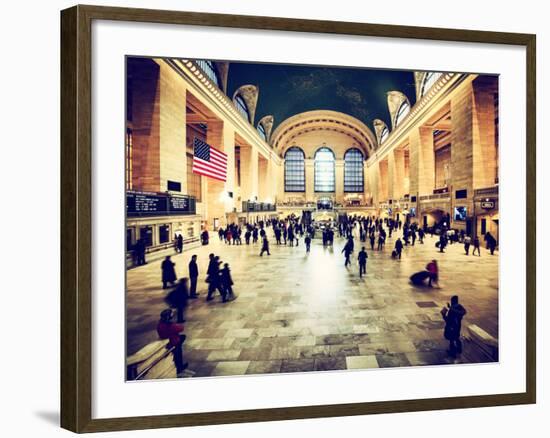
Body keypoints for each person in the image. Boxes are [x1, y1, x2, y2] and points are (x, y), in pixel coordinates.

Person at [156, 309, 188, 375]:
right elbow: (181, 328)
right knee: (178, 352)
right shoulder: (171, 325)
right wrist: (174, 323)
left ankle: (178, 365)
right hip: (173, 342)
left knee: (182, 337)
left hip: (166, 341)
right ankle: (180, 367)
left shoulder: (160, 325)